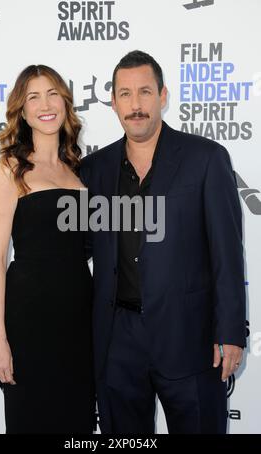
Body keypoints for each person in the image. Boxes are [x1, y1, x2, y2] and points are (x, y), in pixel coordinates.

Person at [80, 50, 246, 434]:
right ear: (113, 101)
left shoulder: (206, 159)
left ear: (163, 95)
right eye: (125, 94)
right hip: (117, 341)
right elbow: (79, 251)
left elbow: (227, 253)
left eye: (144, 92)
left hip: (189, 338)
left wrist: (230, 332)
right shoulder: (94, 170)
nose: (135, 105)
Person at [0, 65, 95, 434]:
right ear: (23, 109)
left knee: (77, 424)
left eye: (52, 94)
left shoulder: (81, 171)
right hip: (28, 323)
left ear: (65, 103)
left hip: (80, 322)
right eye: (33, 96)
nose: (45, 104)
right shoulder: (11, 168)